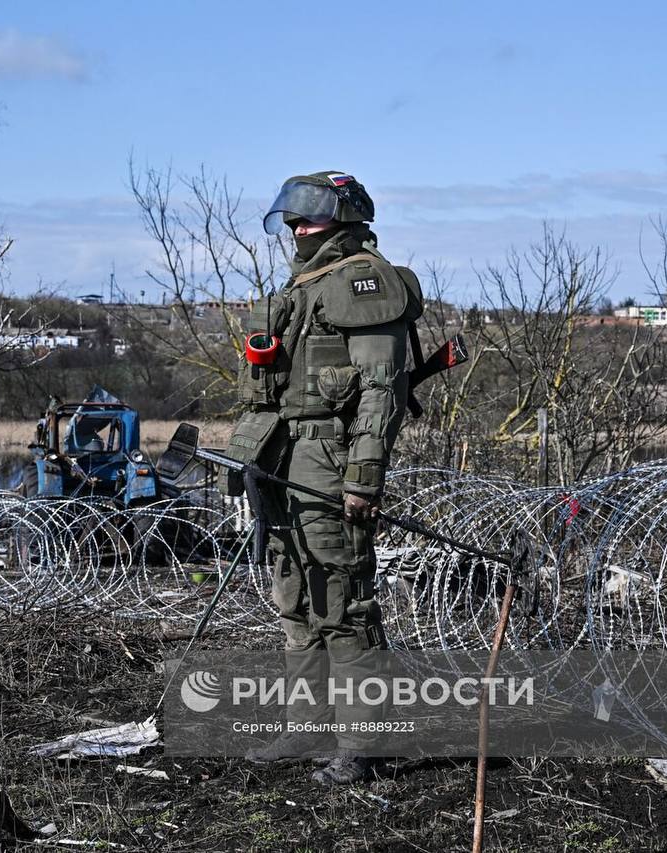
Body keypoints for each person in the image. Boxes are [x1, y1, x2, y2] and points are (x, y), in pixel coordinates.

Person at [228, 172, 421, 785]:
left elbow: (380, 391)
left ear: (345, 216)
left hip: (328, 456)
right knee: (294, 596)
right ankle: (305, 727)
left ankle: (363, 743)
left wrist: (363, 475)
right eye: (291, 215)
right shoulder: (305, 283)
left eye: (311, 214)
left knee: (342, 601)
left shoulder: (363, 283)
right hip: (281, 453)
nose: (297, 225)